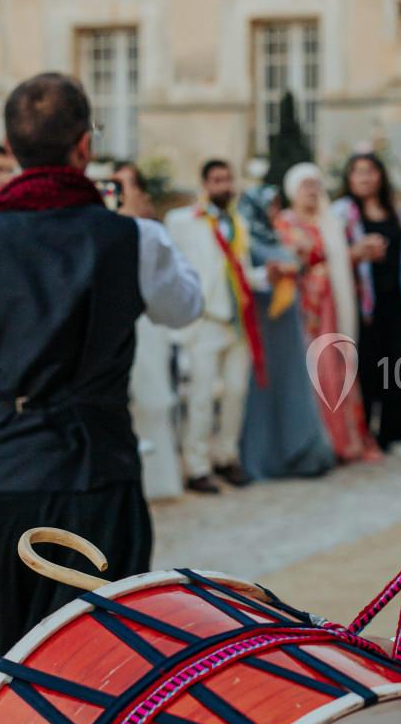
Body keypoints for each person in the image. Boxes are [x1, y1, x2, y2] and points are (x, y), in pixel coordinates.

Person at [0, 73, 202, 661]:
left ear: (11, 149)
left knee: (20, 671)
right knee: (110, 666)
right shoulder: (135, 238)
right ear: (84, 147)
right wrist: (148, 224)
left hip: (0, 481)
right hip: (98, 479)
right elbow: (185, 307)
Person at [166, 160, 265, 493]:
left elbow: (244, 272)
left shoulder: (239, 223)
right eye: (217, 180)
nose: (224, 185)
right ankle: (197, 466)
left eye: (228, 179)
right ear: (205, 184)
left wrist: (269, 276)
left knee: (236, 392)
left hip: (239, 320)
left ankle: (227, 456)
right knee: (202, 396)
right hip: (206, 319)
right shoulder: (183, 221)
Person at [280, 164, 383, 463]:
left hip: (332, 306)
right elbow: (294, 259)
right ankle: (318, 441)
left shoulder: (330, 222)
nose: (312, 191)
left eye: (315, 185)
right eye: (305, 186)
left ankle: (345, 439)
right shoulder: (285, 223)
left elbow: (337, 260)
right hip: (303, 308)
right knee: (312, 369)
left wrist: (357, 252)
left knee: (335, 368)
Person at [239, 178, 337, 479]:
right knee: (266, 392)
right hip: (264, 329)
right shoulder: (248, 244)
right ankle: (265, 459)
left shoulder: (277, 239)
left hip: (288, 329)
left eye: (276, 204)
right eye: (269, 205)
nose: (274, 210)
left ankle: (301, 451)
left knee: (293, 387)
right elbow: (247, 280)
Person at [333, 154, 401, 451]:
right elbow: (331, 251)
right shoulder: (343, 212)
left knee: (399, 364)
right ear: (349, 178)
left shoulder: (395, 210)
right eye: (358, 172)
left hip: (397, 298)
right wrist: (356, 252)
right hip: (363, 301)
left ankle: (393, 433)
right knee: (366, 367)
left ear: (380, 175)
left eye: (370, 171)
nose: (365, 178)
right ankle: (365, 431)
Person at [115, 161, 184, 501]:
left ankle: (158, 477)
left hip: (147, 321)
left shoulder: (151, 231)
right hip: (117, 319)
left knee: (153, 391)